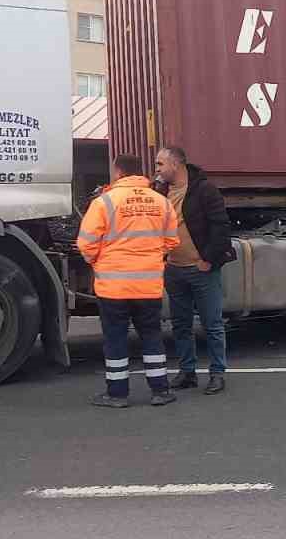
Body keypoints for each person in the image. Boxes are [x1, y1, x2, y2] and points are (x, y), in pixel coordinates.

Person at [77, 154, 181, 408]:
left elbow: (86, 244)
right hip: (148, 286)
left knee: (115, 339)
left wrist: (99, 262)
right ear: (139, 173)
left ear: (118, 172)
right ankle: (160, 391)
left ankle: (117, 394)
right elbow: (171, 242)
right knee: (151, 336)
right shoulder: (161, 202)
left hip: (113, 287)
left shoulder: (104, 203)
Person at [154, 147, 237, 395]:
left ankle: (217, 373)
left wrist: (208, 260)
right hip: (174, 268)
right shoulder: (160, 190)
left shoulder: (203, 189)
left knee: (212, 323)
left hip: (200, 268)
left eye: (160, 164)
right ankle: (187, 372)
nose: (156, 169)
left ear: (176, 165)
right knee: (180, 324)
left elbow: (221, 227)